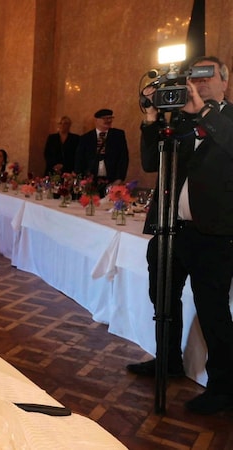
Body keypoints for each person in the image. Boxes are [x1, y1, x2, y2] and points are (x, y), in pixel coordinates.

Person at [129, 55, 233, 415]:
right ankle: (168, 361)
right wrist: (151, 118)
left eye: (207, 76)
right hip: (170, 230)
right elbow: (149, 161)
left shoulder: (226, 119)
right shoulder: (183, 122)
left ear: (225, 81)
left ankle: (224, 387)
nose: (199, 82)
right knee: (163, 299)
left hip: (215, 236)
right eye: (194, 76)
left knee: (213, 311)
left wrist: (203, 111)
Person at [75, 109, 129, 185]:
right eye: (105, 118)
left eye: (110, 118)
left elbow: (123, 158)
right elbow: (79, 159)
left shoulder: (118, 135)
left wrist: (119, 178)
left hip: (112, 180)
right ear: (96, 120)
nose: (108, 120)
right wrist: (80, 179)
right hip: (90, 181)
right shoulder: (86, 138)